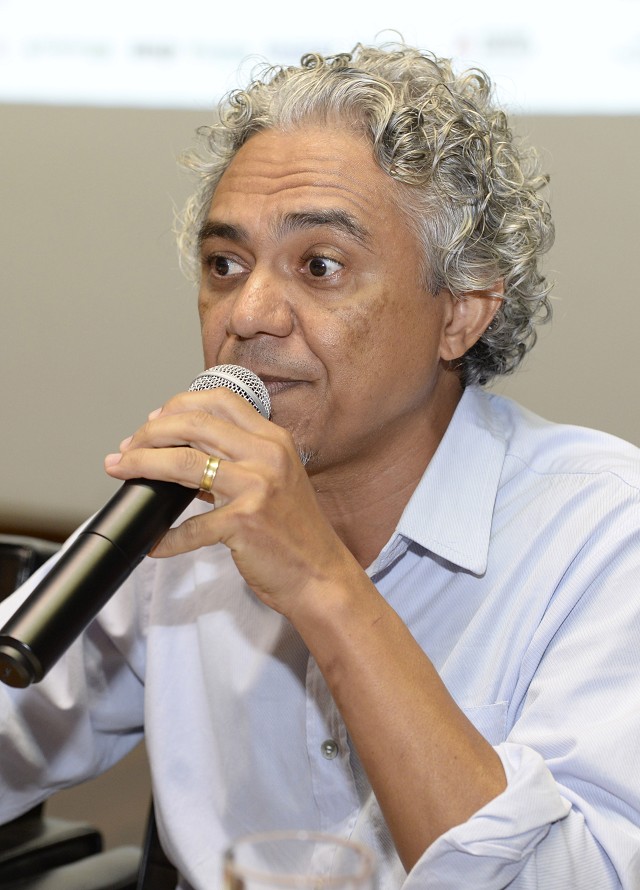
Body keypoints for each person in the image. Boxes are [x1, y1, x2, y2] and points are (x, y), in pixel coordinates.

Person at [1, 41, 639, 890]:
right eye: (225, 265)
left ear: (461, 314)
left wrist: (324, 587)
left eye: (320, 266)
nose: (249, 314)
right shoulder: (185, 507)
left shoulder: (605, 536)